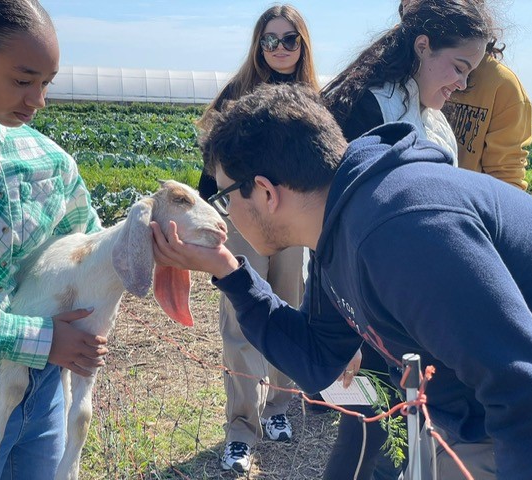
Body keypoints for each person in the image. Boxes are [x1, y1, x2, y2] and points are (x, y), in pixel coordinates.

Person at [152, 81, 532, 480]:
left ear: (267, 193)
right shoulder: (339, 231)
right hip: (497, 412)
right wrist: (229, 272)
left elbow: (531, 394)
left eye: (225, 195)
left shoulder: (398, 230)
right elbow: (320, 358)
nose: (225, 212)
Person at [319, 0, 491, 477]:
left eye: (469, 73)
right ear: (422, 46)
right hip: (369, 302)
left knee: (410, 430)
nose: (462, 82)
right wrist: (348, 329)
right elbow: (338, 223)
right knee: (368, 426)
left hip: (415, 306)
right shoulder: (369, 108)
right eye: (458, 67)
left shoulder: (432, 119)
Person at [0, 1, 107, 478]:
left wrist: (144, 240)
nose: (37, 101)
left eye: (46, 83)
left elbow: (85, 248)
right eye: (23, 81)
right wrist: (42, 339)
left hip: (44, 389)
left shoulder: (50, 159)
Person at [195, 4, 320, 473]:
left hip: (293, 225)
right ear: (257, 45)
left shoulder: (315, 98)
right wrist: (210, 219)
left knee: (287, 312)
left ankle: (278, 410)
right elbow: (210, 169)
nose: (280, 48)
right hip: (244, 220)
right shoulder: (237, 93)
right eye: (270, 40)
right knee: (241, 324)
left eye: (290, 39)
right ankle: (240, 429)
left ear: (302, 44)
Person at [442, 37, 532, 190]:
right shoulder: (401, 71)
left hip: (470, 208)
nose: (460, 83)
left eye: (460, 68)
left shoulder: (502, 85)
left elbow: (505, 180)